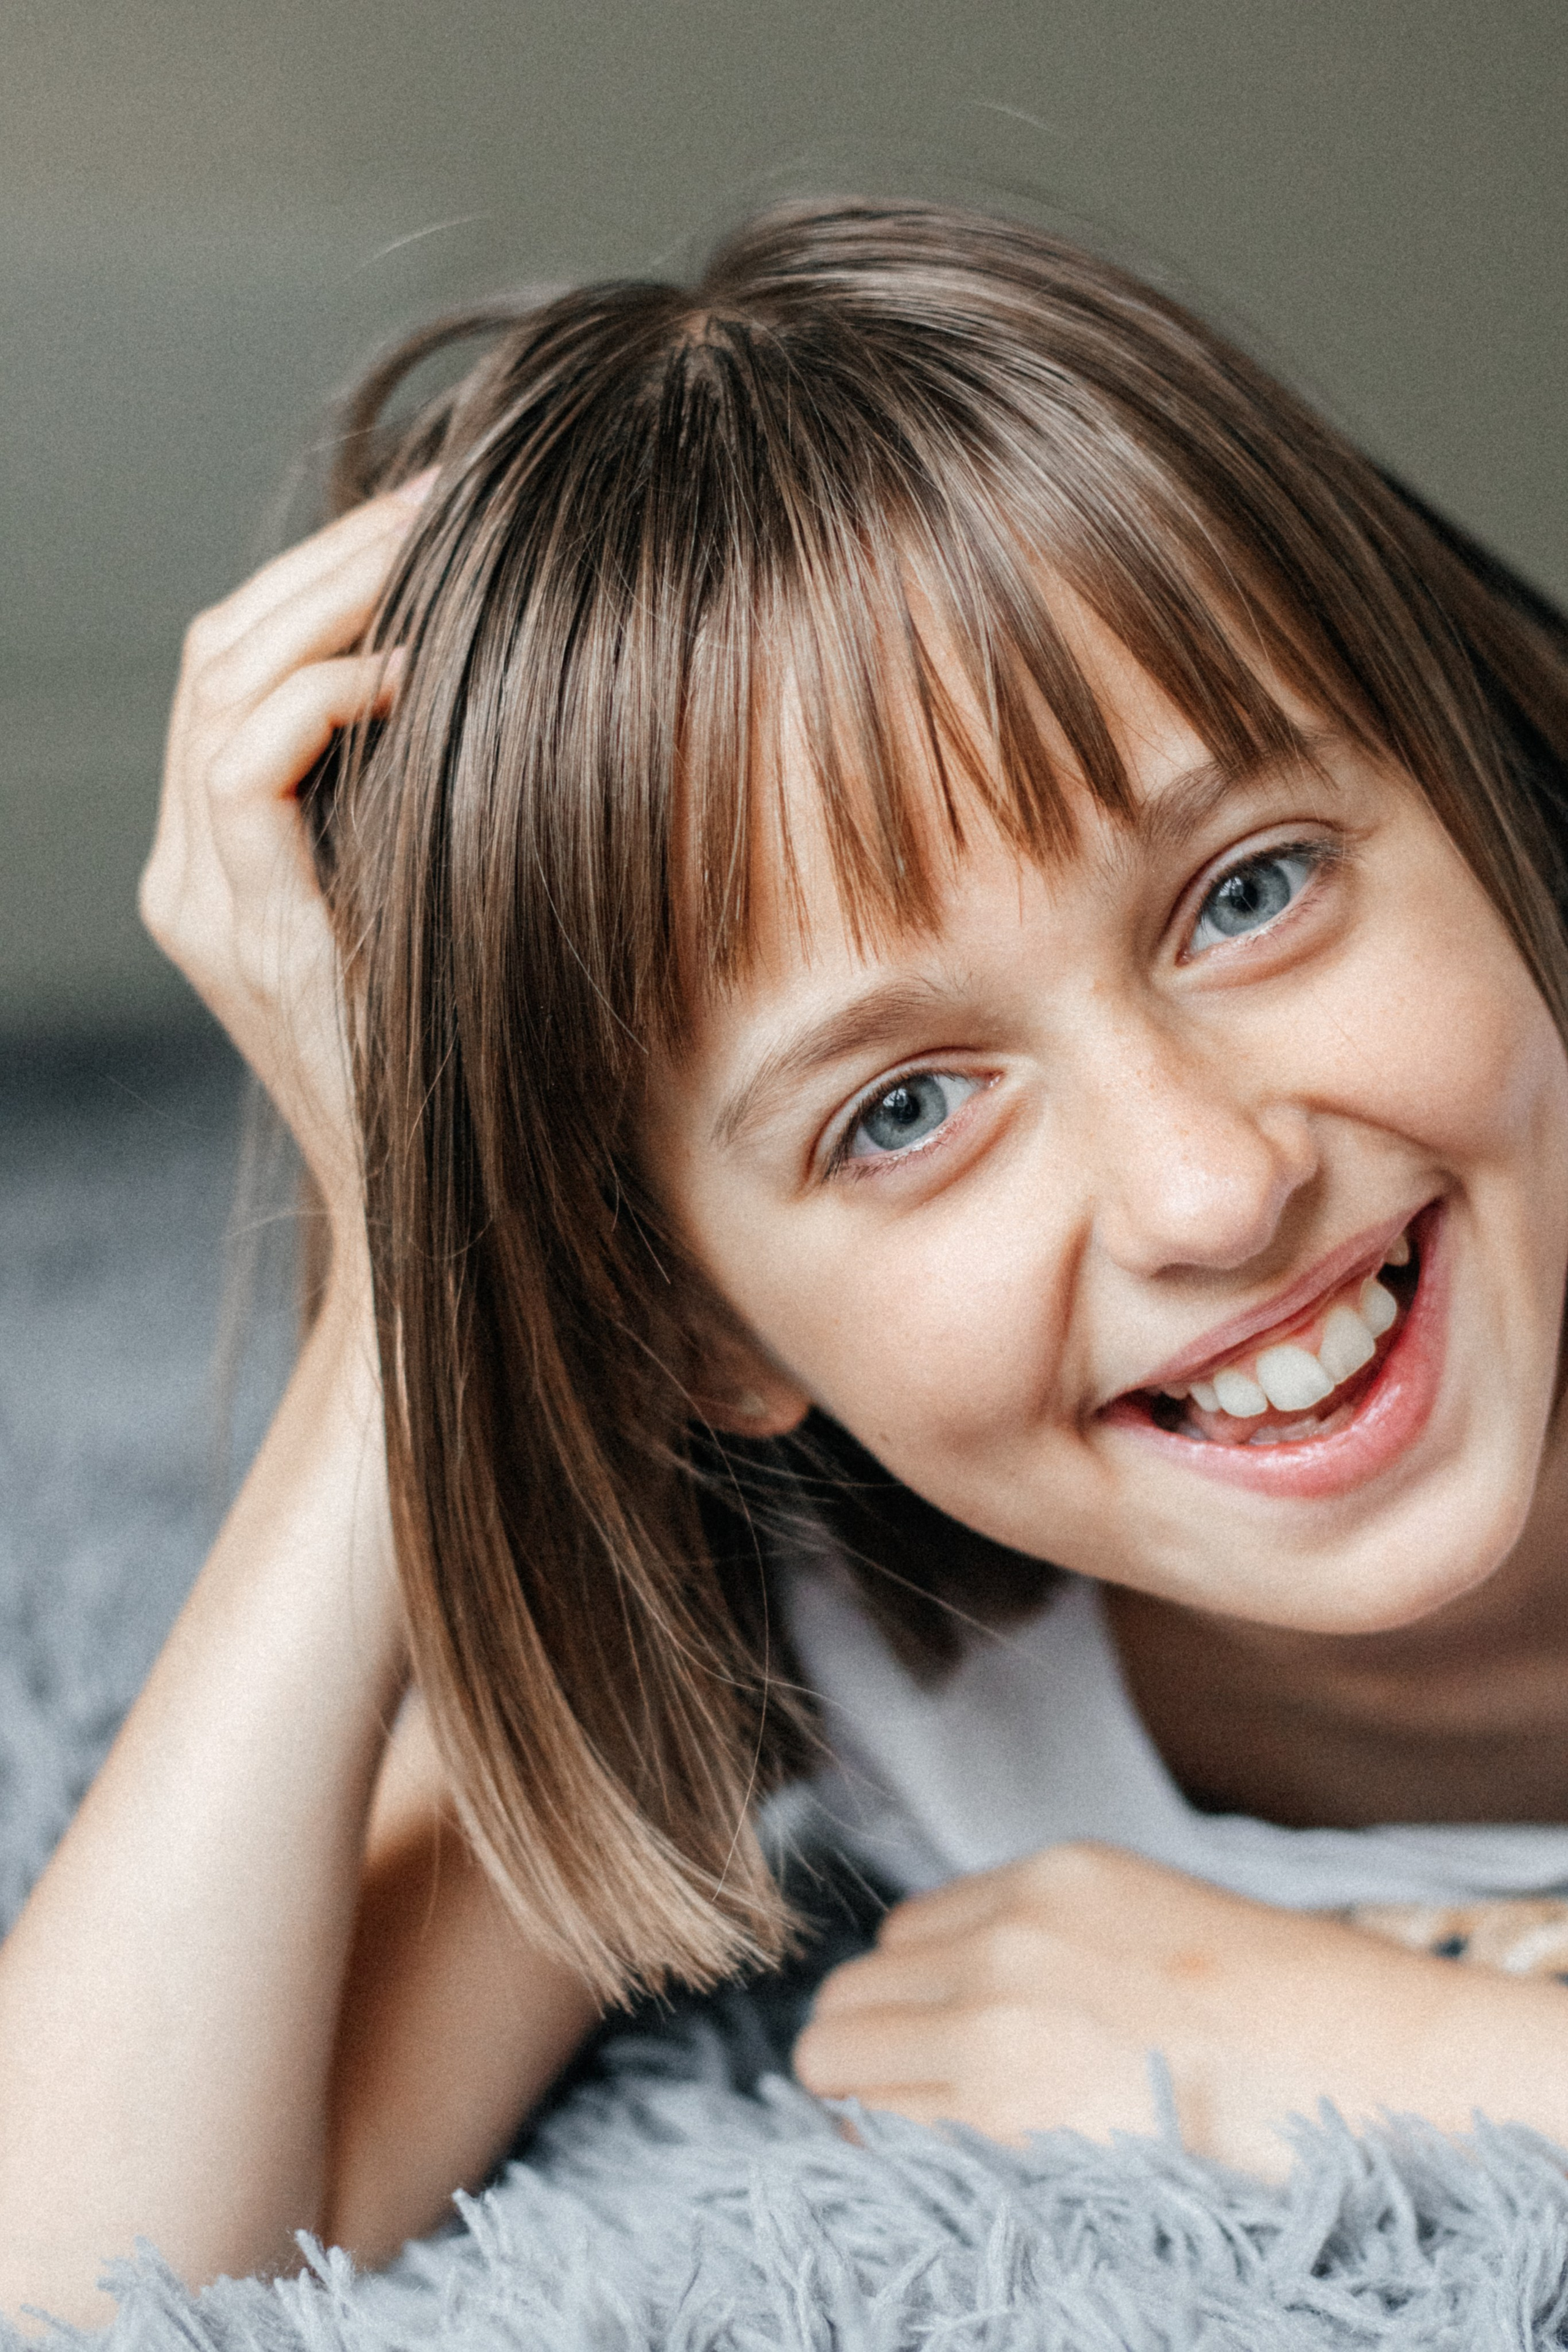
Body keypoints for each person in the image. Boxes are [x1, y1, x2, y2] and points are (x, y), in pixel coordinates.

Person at [4, 195, 1568, 2327]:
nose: (1213, 1191)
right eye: (902, 1110)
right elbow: (76, 2272)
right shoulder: (818, 1608)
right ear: (702, 1325)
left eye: (1251, 889)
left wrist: (1394, 2052)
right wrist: (419, 1275)